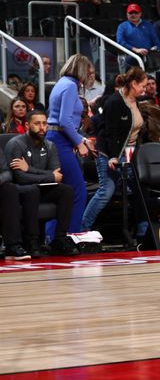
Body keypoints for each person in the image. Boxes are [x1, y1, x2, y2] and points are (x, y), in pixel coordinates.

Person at [81, 67, 147, 233]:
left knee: (140, 190)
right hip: (110, 154)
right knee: (106, 191)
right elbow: (110, 133)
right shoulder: (114, 102)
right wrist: (113, 157)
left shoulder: (135, 101)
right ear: (133, 84)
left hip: (129, 154)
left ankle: (143, 232)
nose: (145, 89)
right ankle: (82, 229)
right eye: (143, 86)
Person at [6, 110, 78, 256]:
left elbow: (57, 176)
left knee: (66, 190)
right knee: (32, 190)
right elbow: (20, 177)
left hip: (41, 187)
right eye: (37, 123)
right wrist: (49, 176)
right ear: (27, 125)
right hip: (20, 190)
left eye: (44, 123)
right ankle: (32, 241)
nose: (42, 127)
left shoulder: (50, 145)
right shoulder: (16, 144)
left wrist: (29, 169)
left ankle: (59, 238)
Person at [46, 55, 95, 236]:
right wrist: (78, 142)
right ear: (81, 70)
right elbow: (64, 120)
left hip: (58, 137)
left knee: (62, 191)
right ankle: (71, 235)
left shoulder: (63, 83)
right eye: (88, 72)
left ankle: (52, 236)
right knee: (78, 190)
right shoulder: (70, 86)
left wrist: (80, 140)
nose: (90, 76)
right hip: (60, 139)